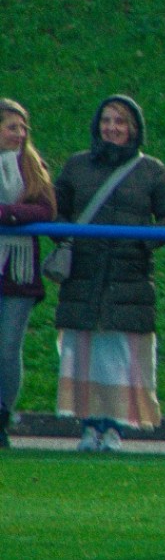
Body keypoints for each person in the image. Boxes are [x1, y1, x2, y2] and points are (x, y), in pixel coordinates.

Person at [54, 96, 165, 450]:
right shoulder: (77, 166)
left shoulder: (151, 170)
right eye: (107, 120)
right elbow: (57, 210)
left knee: (118, 356)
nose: (112, 128)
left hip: (128, 277)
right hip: (84, 272)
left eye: (120, 122)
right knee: (85, 352)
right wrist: (69, 237)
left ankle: (114, 427)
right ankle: (89, 426)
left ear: (134, 129)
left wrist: (140, 243)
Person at [0, 100, 56, 448]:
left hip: (20, 272)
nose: (19, 134)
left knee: (8, 348)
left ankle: (3, 414)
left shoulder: (33, 165)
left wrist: (6, 213)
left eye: (23, 128)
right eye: (11, 127)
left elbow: (46, 209)